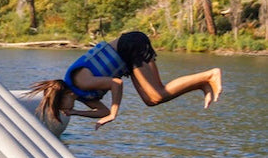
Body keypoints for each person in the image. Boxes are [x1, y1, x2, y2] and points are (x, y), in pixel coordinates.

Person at [29, 31, 223, 129]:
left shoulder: (80, 81)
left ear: (67, 94)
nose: (64, 109)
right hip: (128, 56)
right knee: (152, 99)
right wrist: (76, 112)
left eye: (62, 105)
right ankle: (202, 84)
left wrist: (114, 113)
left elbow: (116, 84)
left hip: (130, 45)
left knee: (156, 94)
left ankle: (210, 75)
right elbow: (102, 112)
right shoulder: (81, 95)